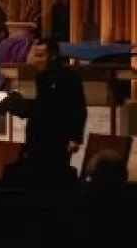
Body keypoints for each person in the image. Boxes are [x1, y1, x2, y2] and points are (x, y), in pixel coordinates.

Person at [7, 37, 87, 176]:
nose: (36, 60)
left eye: (40, 56)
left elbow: (78, 109)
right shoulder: (41, 77)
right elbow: (43, 107)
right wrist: (19, 106)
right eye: (35, 55)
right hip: (37, 137)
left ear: (53, 56)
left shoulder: (69, 78)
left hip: (58, 138)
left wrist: (75, 138)